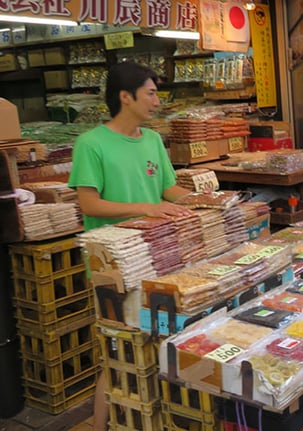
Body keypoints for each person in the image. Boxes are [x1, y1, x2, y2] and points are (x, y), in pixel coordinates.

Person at [68, 61, 193, 431]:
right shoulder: (91, 144)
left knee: (155, 345)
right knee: (117, 351)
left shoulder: (153, 140)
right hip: (112, 267)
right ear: (126, 97)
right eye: (151, 93)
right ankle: (100, 424)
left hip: (158, 256)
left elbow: (167, 190)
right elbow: (89, 204)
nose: (157, 100)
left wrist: (203, 201)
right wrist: (145, 208)